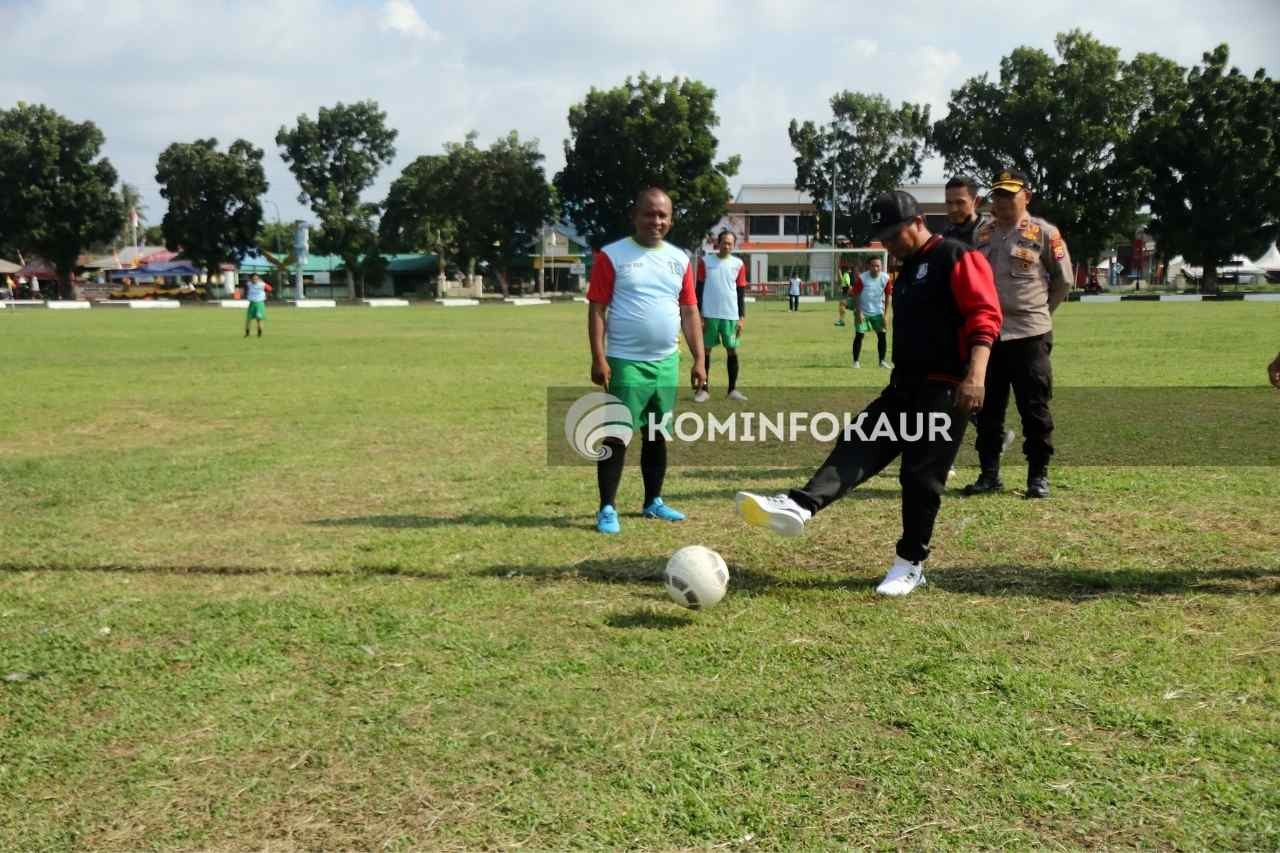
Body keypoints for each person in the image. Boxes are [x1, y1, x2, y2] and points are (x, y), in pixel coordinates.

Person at [735, 191, 1001, 597]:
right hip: (904, 385)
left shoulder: (955, 256)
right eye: (884, 238)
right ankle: (800, 505)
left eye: (895, 235)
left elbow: (985, 316)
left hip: (947, 386)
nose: (889, 245)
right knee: (858, 442)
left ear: (917, 222)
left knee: (919, 476)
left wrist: (976, 375)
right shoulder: (908, 269)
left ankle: (910, 564)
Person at [586, 187, 706, 534]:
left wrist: (699, 359)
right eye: (649, 214)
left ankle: (653, 501)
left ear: (670, 219)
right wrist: (598, 357)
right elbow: (597, 309)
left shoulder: (680, 258)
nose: (656, 221)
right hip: (625, 361)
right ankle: (607, 507)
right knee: (616, 436)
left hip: (666, 361)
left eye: (662, 215)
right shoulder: (612, 256)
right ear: (634, 216)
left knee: (657, 435)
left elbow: (689, 309)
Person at [963, 168, 1072, 499]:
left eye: (1009, 194)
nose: (1002, 200)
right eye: (997, 194)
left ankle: (1037, 476)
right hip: (990, 337)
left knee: (1034, 408)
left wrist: (1040, 314)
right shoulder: (982, 234)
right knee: (987, 410)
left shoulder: (1044, 233)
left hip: (1030, 335)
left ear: (1027, 195)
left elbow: (1063, 281)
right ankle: (989, 475)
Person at [694, 229, 748, 403]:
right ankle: (704, 390)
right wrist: (699, 315)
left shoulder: (738, 264)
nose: (727, 246)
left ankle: (732, 390)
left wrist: (741, 317)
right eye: (724, 242)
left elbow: (741, 292)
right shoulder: (705, 261)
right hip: (709, 315)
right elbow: (699, 289)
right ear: (718, 244)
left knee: (731, 350)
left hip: (730, 315)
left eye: (730, 243)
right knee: (706, 351)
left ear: (733, 245)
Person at [852, 256, 892, 369]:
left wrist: (886, 314)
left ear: (881, 266)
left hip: (878, 312)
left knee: (882, 335)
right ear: (869, 266)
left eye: (878, 265)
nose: (876, 268)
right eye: (873, 265)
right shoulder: (862, 278)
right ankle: (856, 361)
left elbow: (889, 295)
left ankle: (882, 361)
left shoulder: (885, 278)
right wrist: (858, 312)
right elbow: (855, 295)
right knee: (859, 335)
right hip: (863, 312)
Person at [942, 175, 991, 246]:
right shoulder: (946, 237)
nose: (953, 209)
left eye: (960, 202)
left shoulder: (992, 234)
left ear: (976, 201)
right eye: (949, 203)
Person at [244, 273, 271, 337]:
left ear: (258, 279)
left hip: (259, 303)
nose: (254, 280)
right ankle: (247, 333)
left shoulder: (262, 284)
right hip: (252, 303)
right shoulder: (249, 284)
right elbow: (245, 288)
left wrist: (265, 294)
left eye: (256, 279)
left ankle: (259, 333)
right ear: (251, 279)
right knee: (248, 319)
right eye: (253, 279)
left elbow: (270, 289)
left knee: (259, 319)